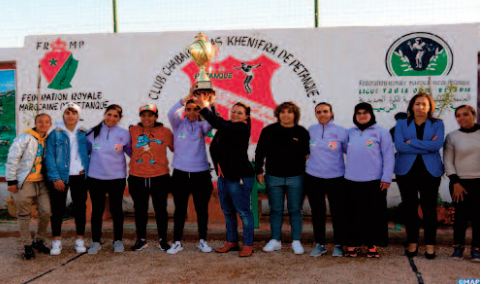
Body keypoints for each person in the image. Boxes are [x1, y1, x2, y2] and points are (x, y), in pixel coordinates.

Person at [195, 90, 255, 257]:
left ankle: (248, 244)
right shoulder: (227, 127)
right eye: (234, 111)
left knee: (243, 211)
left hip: (240, 177)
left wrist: (204, 107)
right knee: (228, 211)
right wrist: (212, 104)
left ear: (246, 117)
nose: (235, 114)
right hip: (224, 176)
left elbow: (218, 123)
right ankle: (232, 241)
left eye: (240, 113)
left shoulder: (241, 128)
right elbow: (218, 127)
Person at [394, 92, 444, 259]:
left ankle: (430, 244)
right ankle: (412, 242)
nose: (420, 107)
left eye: (424, 104)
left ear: (430, 107)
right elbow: (400, 146)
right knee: (410, 208)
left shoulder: (438, 124)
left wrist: (412, 142)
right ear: (412, 106)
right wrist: (426, 145)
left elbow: (436, 145)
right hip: (406, 171)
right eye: (417, 103)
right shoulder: (401, 123)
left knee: (429, 209)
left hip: (430, 172)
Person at [256, 101, 310, 255]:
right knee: (276, 210)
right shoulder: (269, 131)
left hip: (296, 177)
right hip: (273, 177)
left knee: (295, 210)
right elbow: (260, 152)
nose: (286, 115)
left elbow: (307, 154)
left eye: (290, 112)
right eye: (283, 112)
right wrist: (259, 171)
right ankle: (275, 240)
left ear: (295, 115)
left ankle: (296, 241)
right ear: (278, 114)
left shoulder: (302, 132)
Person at [344, 102, 394, 258]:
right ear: (355, 116)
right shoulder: (349, 133)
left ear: (371, 114)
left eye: (365, 112)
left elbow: (388, 156)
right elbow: (346, 150)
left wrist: (386, 177)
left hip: (374, 181)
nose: (362, 115)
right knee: (353, 214)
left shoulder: (381, 132)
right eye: (358, 113)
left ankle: (372, 245)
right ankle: (353, 244)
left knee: (373, 215)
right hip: (351, 180)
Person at [167, 93, 214, 254]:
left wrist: (206, 104)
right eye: (189, 109)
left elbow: (213, 120)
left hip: (200, 173)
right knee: (180, 209)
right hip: (180, 173)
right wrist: (185, 98)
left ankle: (202, 240)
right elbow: (171, 113)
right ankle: (177, 242)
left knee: (201, 209)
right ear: (185, 111)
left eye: (196, 109)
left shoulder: (203, 126)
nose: (192, 112)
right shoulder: (178, 124)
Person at [45, 103, 90, 255]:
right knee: (57, 209)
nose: (71, 115)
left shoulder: (85, 133)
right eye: (67, 112)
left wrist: (87, 167)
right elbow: (49, 157)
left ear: (78, 115)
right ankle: (56, 241)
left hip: (80, 176)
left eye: (74, 113)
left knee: (80, 209)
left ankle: (80, 240)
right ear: (63, 115)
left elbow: (93, 152)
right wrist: (55, 177)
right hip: (61, 177)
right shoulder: (55, 133)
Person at [6, 113, 52, 259]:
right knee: (24, 214)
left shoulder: (48, 139)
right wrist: (11, 181)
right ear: (35, 123)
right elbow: (12, 159)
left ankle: (39, 240)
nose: (43, 124)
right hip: (25, 182)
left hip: (42, 182)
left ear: (50, 124)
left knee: (46, 211)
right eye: (40, 122)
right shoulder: (24, 138)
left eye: (46, 122)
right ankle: (27, 245)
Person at [86, 104, 131, 254]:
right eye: (109, 114)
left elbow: (133, 153)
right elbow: (84, 152)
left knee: (116, 210)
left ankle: (118, 241)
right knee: (97, 210)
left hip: (116, 178)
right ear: (105, 114)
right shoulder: (92, 132)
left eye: (115, 116)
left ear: (119, 118)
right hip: (95, 177)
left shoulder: (124, 134)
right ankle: (96, 241)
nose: (111, 118)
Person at [305, 102, 348, 257]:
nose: (322, 114)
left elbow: (350, 152)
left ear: (331, 113)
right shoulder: (311, 130)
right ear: (315, 114)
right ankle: (320, 244)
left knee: (338, 212)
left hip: (336, 177)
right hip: (313, 177)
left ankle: (338, 244)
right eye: (318, 112)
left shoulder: (342, 132)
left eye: (325, 111)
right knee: (318, 212)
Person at [129, 104, 173, 252]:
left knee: (161, 210)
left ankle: (163, 240)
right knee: (140, 209)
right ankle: (141, 240)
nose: (147, 118)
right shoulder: (132, 131)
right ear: (140, 116)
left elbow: (177, 149)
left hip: (160, 177)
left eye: (150, 115)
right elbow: (126, 148)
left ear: (156, 116)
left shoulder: (165, 132)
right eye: (144, 115)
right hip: (137, 177)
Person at [444, 104, 479, 261]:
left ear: (474, 115)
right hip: (459, 183)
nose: (461, 118)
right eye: (458, 115)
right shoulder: (452, 137)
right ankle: (458, 249)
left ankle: (476, 249)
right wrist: (455, 182)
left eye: (465, 114)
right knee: (460, 217)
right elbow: (448, 161)